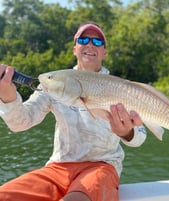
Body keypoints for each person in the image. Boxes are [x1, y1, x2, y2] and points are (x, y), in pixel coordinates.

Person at [0, 22, 147, 201]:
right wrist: (8, 97)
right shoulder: (53, 83)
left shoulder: (122, 88)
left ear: (104, 52)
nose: (90, 44)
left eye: (98, 42)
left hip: (102, 166)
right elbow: (21, 123)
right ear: (74, 49)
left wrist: (127, 132)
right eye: (83, 39)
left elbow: (140, 135)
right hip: (58, 168)